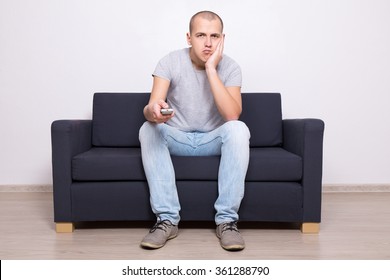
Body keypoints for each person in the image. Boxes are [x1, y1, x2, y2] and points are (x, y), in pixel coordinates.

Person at [139, 11, 250, 251]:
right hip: (177, 136)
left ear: (222, 38)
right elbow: (151, 107)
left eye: (214, 36)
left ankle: (227, 222)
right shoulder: (169, 61)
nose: (208, 43)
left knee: (239, 129)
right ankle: (167, 220)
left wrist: (211, 69)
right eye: (201, 35)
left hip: (213, 138)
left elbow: (232, 115)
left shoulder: (230, 67)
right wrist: (154, 111)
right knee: (148, 129)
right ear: (189, 37)